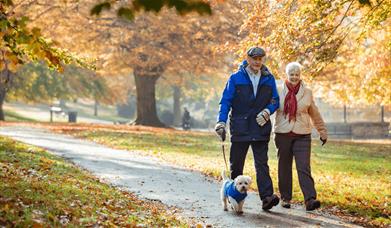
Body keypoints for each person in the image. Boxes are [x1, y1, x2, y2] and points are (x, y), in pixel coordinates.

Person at [215, 47, 280, 210]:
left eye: (260, 59)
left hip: (260, 127)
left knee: (262, 164)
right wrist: (221, 122)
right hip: (240, 127)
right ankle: (233, 195)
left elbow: (275, 100)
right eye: (254, 59)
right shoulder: (235, 78)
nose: (257, 62)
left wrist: (267, 111)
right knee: (236, 165)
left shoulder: (268, 78)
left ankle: (267, 198)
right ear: (248, 59)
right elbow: (226, 101)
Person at [274, 62, 328, 211]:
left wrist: (322, 131)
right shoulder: (278, 90)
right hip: (282, 134)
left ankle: (310, 199)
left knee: (303, 167)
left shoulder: (308, 92)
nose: (294, 77)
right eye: (291, 74)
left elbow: (314, 113)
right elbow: (270, 107)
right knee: (284, 167)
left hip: (303, 134)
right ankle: (285, 198)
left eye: (297, 74)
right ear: (287, 75)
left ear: (300, 75)